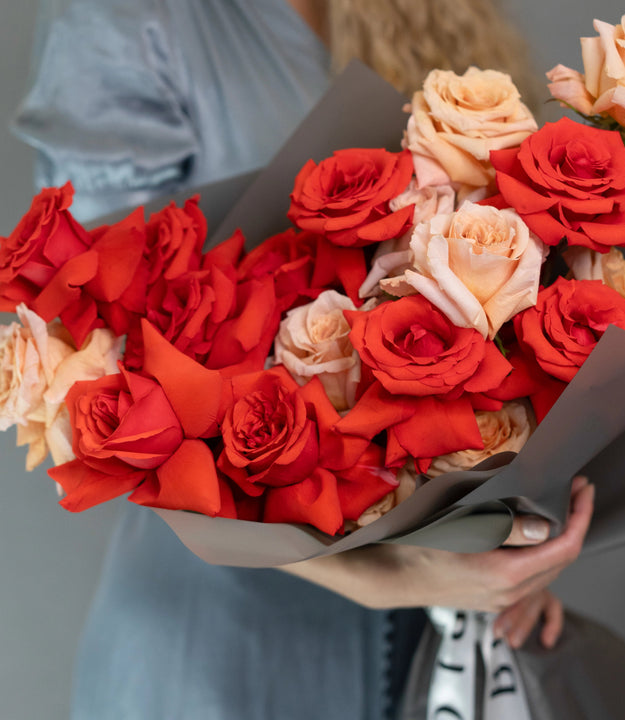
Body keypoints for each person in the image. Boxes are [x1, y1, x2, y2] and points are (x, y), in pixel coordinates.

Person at [12, 1, 593, 717]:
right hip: (224, 654)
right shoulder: (126, 18)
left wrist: (510, 551)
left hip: (439, 641)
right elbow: (104, 374)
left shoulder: (437, 11)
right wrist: (386, 577)